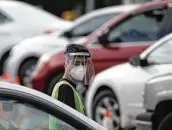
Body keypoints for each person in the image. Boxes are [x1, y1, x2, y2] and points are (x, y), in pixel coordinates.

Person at [49, 44, 95, 130]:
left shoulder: (67, 87)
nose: (81, 67)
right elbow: (68, 126)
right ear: (66, 65)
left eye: (83, 63)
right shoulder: (65, 89)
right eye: (76, 63)